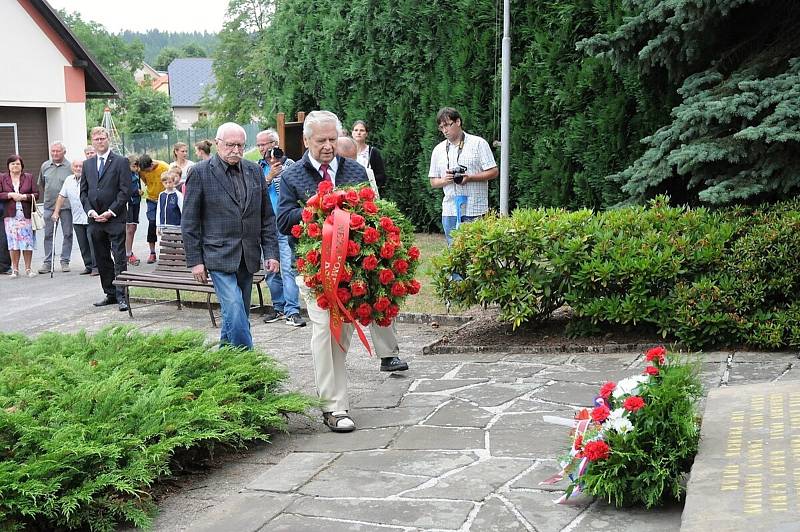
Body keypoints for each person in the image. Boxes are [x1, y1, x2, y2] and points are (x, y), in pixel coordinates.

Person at [277, 111, 409, 433]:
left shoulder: (354, 170)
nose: (327, 146)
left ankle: (333, 399)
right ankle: (335, 408)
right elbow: (283, 220)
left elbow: (372, 213)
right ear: (306, 141)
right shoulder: (293, 177)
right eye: (320, 140)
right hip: (314, 273)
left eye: (332, 139)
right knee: (325, 333)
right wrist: (318, 208)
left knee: (340, 339)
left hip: (350, 271)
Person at [182, 122, 280, 349]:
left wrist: (272, 253)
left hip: (248, 255)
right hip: (217, 255)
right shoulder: (199, 173)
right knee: (235, 309)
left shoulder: (254, 170)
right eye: (230, 145)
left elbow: (266, 217)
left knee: (238, 314)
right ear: (218, 144)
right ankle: (249, 360)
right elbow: (189, 222)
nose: (236, 150)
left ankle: (225, 356)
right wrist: (195, 261)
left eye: (240, 145)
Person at [256, 128, 306, 328]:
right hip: (266, 226)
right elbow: (252, 193)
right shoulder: (257, 168)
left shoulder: (290, 165)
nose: (261, 149)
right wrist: (269, 178)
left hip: (285, 225)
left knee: (288, 268)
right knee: (271, 270)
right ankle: (278, 307)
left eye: (264, 144)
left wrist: (280, 174)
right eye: (259, 145)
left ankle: (292, 311)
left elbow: (298, 191)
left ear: (275, 144)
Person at [428, 107, 498, 245]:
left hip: (475, 208)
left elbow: (494, 171)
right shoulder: (438, 150)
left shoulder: (478, 143)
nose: (445, 130)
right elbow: (433, 181)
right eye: (441, 127)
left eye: (448, 125)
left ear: (458, 121)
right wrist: (445, 180)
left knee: (477, 252)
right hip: (450, 209)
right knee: (454, 254)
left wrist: (470, 177)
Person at [80, 126, 130, 312]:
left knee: (118, 257)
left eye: (103, 138)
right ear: (92, 141)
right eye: (97, 139)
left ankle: (122, 295)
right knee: (101, 257)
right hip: (95, 219)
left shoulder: (120, 162)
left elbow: (125, 191)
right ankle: (110, 293)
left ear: (108, 139)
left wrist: (111, 211)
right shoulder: (88, 164)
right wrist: (90, 212)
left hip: (114, 218)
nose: (100, 142)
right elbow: (83, 192)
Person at [52, 159, 96, 275]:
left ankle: (96, 267)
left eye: (80, 166)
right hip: (76, 217)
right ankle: (88, 266)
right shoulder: (68, 180)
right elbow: (61, 196)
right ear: (72, 168)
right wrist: (56, 212)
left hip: (90, 216)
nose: (78, 168)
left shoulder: (89, 179)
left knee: (93, 242)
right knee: (83, 244)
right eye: (76, 166)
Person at [37, 141, 73, 273]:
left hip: (66, 207)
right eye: (53, 151)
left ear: (64, 152)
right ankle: (47, 262)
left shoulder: (70, 167)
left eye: (58, 151)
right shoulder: (45, 166)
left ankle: (65, 261)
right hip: (49, 206)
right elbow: (42, 184)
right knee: (48, 235)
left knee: (68, 234)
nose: (55, 153)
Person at [0, 155, 38, 278]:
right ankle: (15, 269)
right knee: (13, 243)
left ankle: (28, 268)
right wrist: (10, 195)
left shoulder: (29, 177)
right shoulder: (2, 178)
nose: (15, 166)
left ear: (22, 166)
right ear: (8, 166)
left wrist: (24, 197)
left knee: (27, 242)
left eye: (17, 164)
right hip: (10, 215)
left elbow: (36, 194)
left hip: (25, 214)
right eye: (12, 164)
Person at [137, 154, 170, 264]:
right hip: (151, 200)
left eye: (148, 170)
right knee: (152, 224)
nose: (147, 172)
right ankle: (152, 253)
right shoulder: (142, 170)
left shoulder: (164, 167)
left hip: (164, 199)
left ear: (151, 164)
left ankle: (169, 251)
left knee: (167, 225)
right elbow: (145, 182)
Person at [352, 120, 388, 190]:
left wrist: (367, 181)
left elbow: (381, 175)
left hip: (368, 191)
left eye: (362, 130)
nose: (358, 133)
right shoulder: (347, 151)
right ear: (352, 133)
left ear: (366, 134)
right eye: (356, 130)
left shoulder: (373, 152)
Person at [125, 155, 143, 266]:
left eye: (137, 166)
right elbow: (126, 189)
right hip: (128, 203)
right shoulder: (125, 175)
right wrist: (136, 192)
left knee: (133, 227)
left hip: (136, 203)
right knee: (129, 228)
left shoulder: (137, 173)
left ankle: (128, 252)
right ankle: (127, 254)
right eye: (134, 166)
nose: (136, 168)